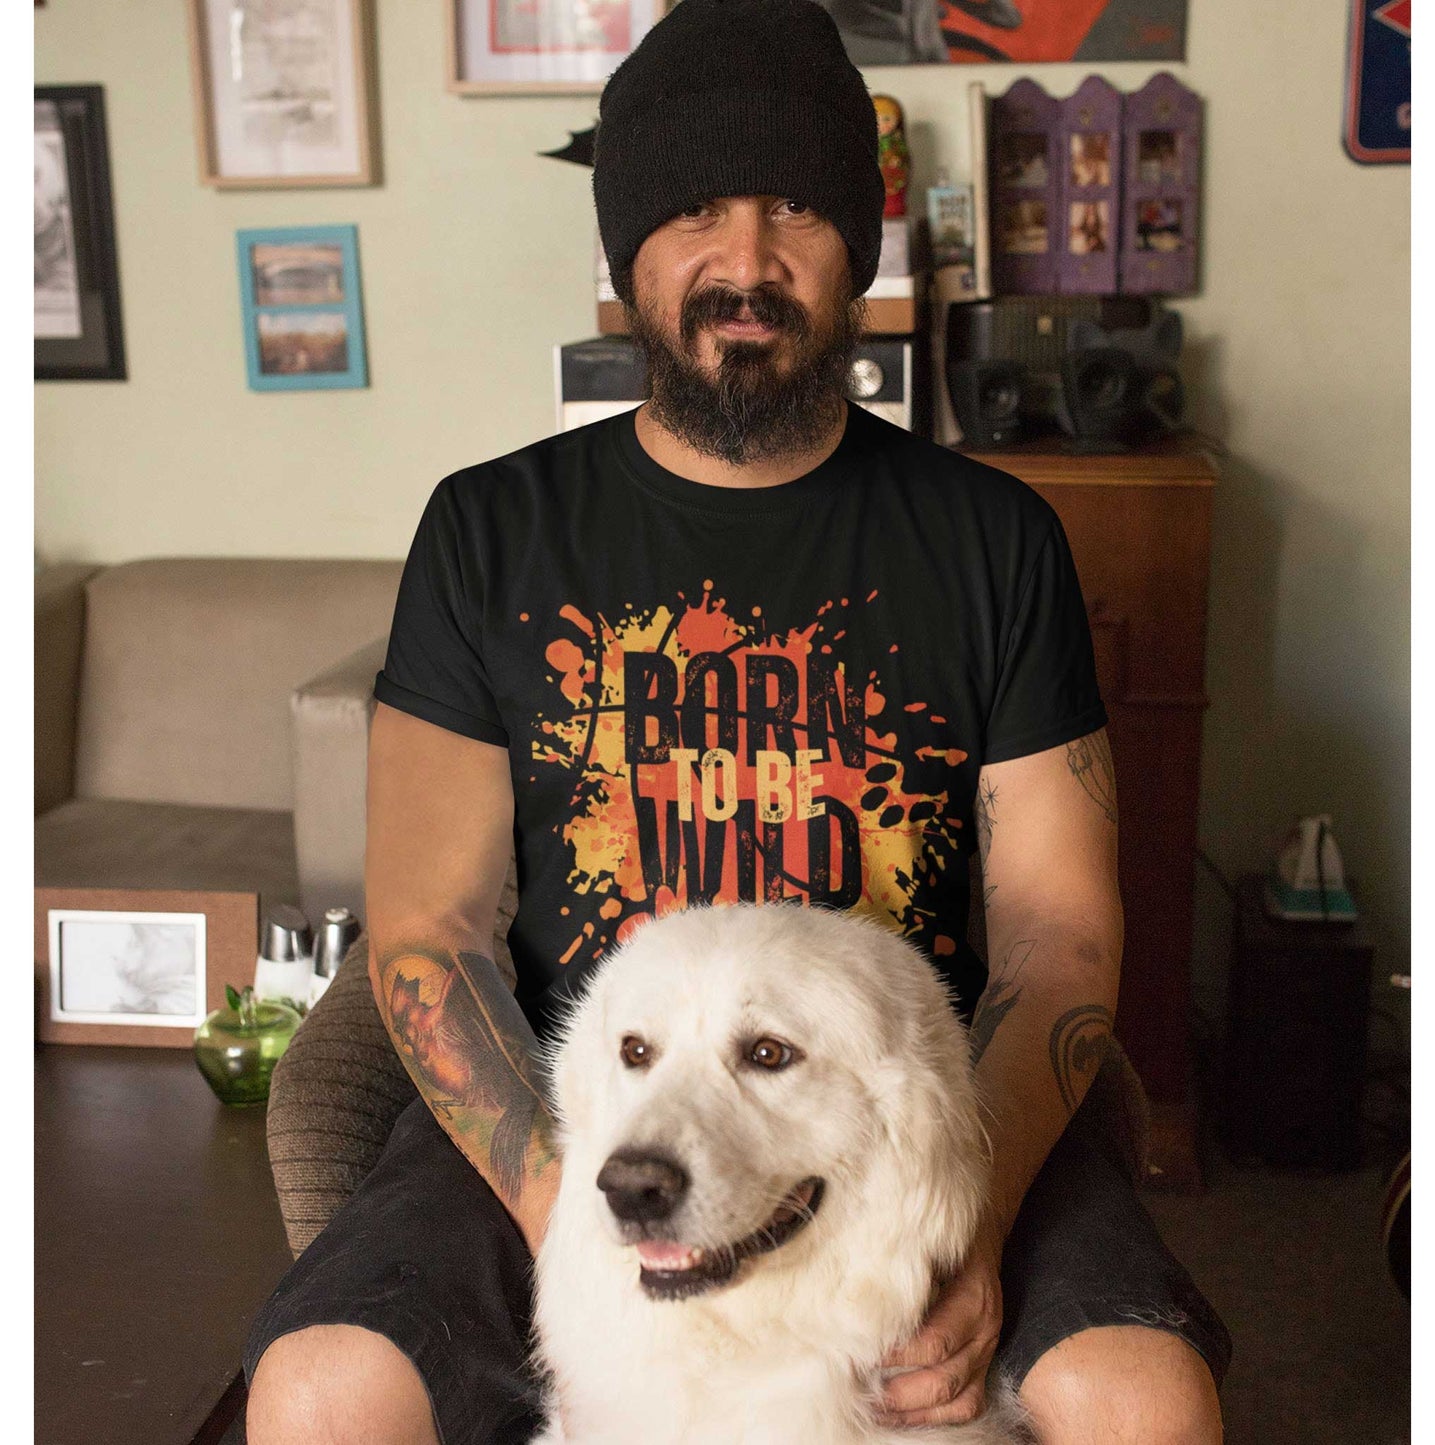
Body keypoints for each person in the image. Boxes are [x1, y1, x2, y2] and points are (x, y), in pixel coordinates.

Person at [243, 2, 1232, 1441]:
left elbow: (1059, 934)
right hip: (583, 1120)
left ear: (861, 245)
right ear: (627, 246)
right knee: (322, 1392)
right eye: (696, 207)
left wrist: (966, 1219)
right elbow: (425, 926)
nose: (747, 262)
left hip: (898, 1115)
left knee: (1139, 1399)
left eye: (795, 210)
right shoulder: (488, 531)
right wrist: (573, 1213)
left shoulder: (994, 538)